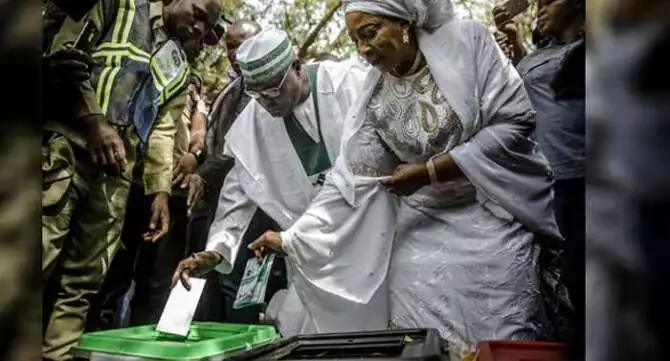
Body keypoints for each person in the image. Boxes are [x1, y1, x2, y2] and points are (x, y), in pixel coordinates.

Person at [247, 0, 566, 354]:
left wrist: (430, 171)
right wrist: (293, 238)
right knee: (411, 293)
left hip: (492, 205)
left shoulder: (468, 43)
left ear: (404, 22)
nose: (362, 49)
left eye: (369, 33)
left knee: (501, 309)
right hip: (422, 223)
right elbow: (351, 179)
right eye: (355, 40)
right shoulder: (374, 98)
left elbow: (515, 121)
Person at [41, 0, 221, 359]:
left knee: (83, 283)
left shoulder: (179, 68)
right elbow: (68, 52)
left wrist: (158, 192)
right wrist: (94, 120)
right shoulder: (121, 5)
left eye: (207, 26)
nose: (199, 29)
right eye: (197, 14)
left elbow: (162, 132)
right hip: (68, 149)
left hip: (116, 177)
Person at [172, 28, 371, 333]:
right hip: (310, 261)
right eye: (257, 94)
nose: (267, 101)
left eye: (275, 89)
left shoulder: (348, 84)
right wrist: (216, 251)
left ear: (296, 64)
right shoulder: (253, 122)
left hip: (371, 241)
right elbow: (237, 195)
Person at [494, 0, 585, 351]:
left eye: (551, 1)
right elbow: (535, 92)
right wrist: (516, 45)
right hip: (542, 181)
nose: (541, 8)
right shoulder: (545, 52)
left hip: (579, 180)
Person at [85, 75, 209, 331]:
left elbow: (199, 137)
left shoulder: (196, 110)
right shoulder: (152, 93)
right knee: (114, 272)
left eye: (193, 86)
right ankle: (99, 335)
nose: (189, 89)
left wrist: (193, 156)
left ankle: (144, 335)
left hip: (173, 196)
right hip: (134, 187)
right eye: (186, 84)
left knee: (155, 281)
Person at [184, 20, 274, 323]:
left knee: (238, 281)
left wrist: (202, 172)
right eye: (230, 47)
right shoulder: (234, 86)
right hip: (218, 199)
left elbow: (234, 149)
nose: (234, 53)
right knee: (212, 275)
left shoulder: (262, 88)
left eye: (241, 44)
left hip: (247, 200)